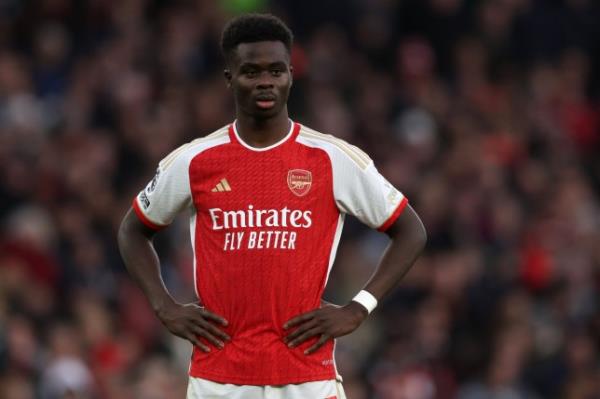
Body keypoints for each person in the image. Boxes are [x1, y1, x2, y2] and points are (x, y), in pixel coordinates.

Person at [117, 13, 427, 399]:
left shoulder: (331, 158)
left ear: (291, 75)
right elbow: (133, 230)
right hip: (219, 380)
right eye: (251, 72)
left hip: (308, 378)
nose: (266, 81)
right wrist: (164, 306)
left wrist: (358, 307)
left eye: (276, 71)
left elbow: (410, 230)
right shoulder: (195, 160)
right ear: (230, 77)